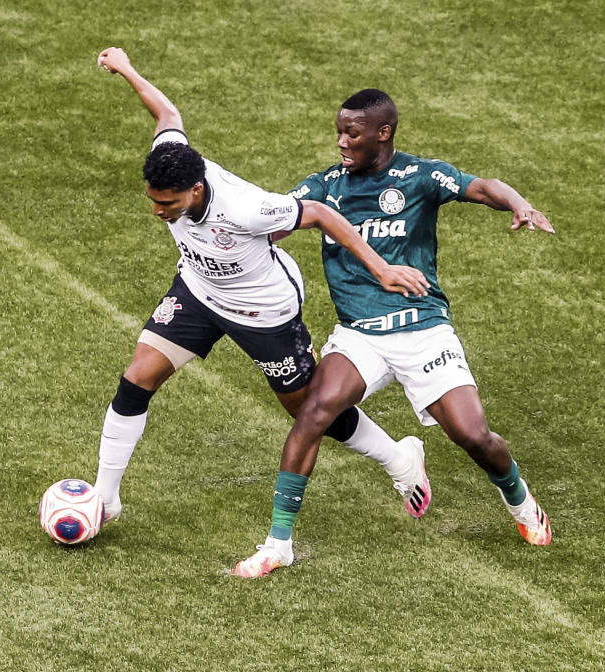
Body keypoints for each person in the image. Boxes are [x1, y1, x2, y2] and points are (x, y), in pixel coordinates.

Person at [93, 50, 434, 527]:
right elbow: (168, 115)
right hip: (198, 291)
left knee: (310, 411)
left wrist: (381, 269)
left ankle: (399, 458)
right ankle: (106, 499)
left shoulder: (245, 208)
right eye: (153, 201)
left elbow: (319, 214)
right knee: (137, 379)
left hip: (264, 312)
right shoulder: (168, 164)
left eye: (166, 204)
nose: (157, 212)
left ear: (194, 189)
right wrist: (127, 69)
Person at [234, 88, 555, 578]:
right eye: (339, 131)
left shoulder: (420, 175)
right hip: (360, 334)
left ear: (382, 134)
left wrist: (519, 203)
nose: (341, 141)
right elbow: (274, 217)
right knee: (313, 413)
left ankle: (520, 502)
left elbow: (482, 186)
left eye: (352, 133)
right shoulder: (325, 186)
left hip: (423, 328)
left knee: (474, 436)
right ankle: (278, 543)